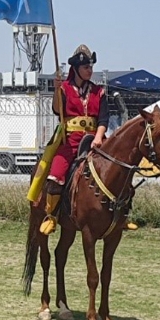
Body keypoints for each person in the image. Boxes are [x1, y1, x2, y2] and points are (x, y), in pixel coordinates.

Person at [40, 45, 109, 235]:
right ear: (76, 68)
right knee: (56, 175)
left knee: (118, 171)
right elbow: (56, 110)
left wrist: (98, 137)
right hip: (70, 141)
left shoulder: (99, 91)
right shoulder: (64, 89)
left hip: (96, 139)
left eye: (91, 67)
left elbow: (103, 118)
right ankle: (51, 216)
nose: (90, 70)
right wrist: (56, 90)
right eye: (86, 67)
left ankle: (122, 216)